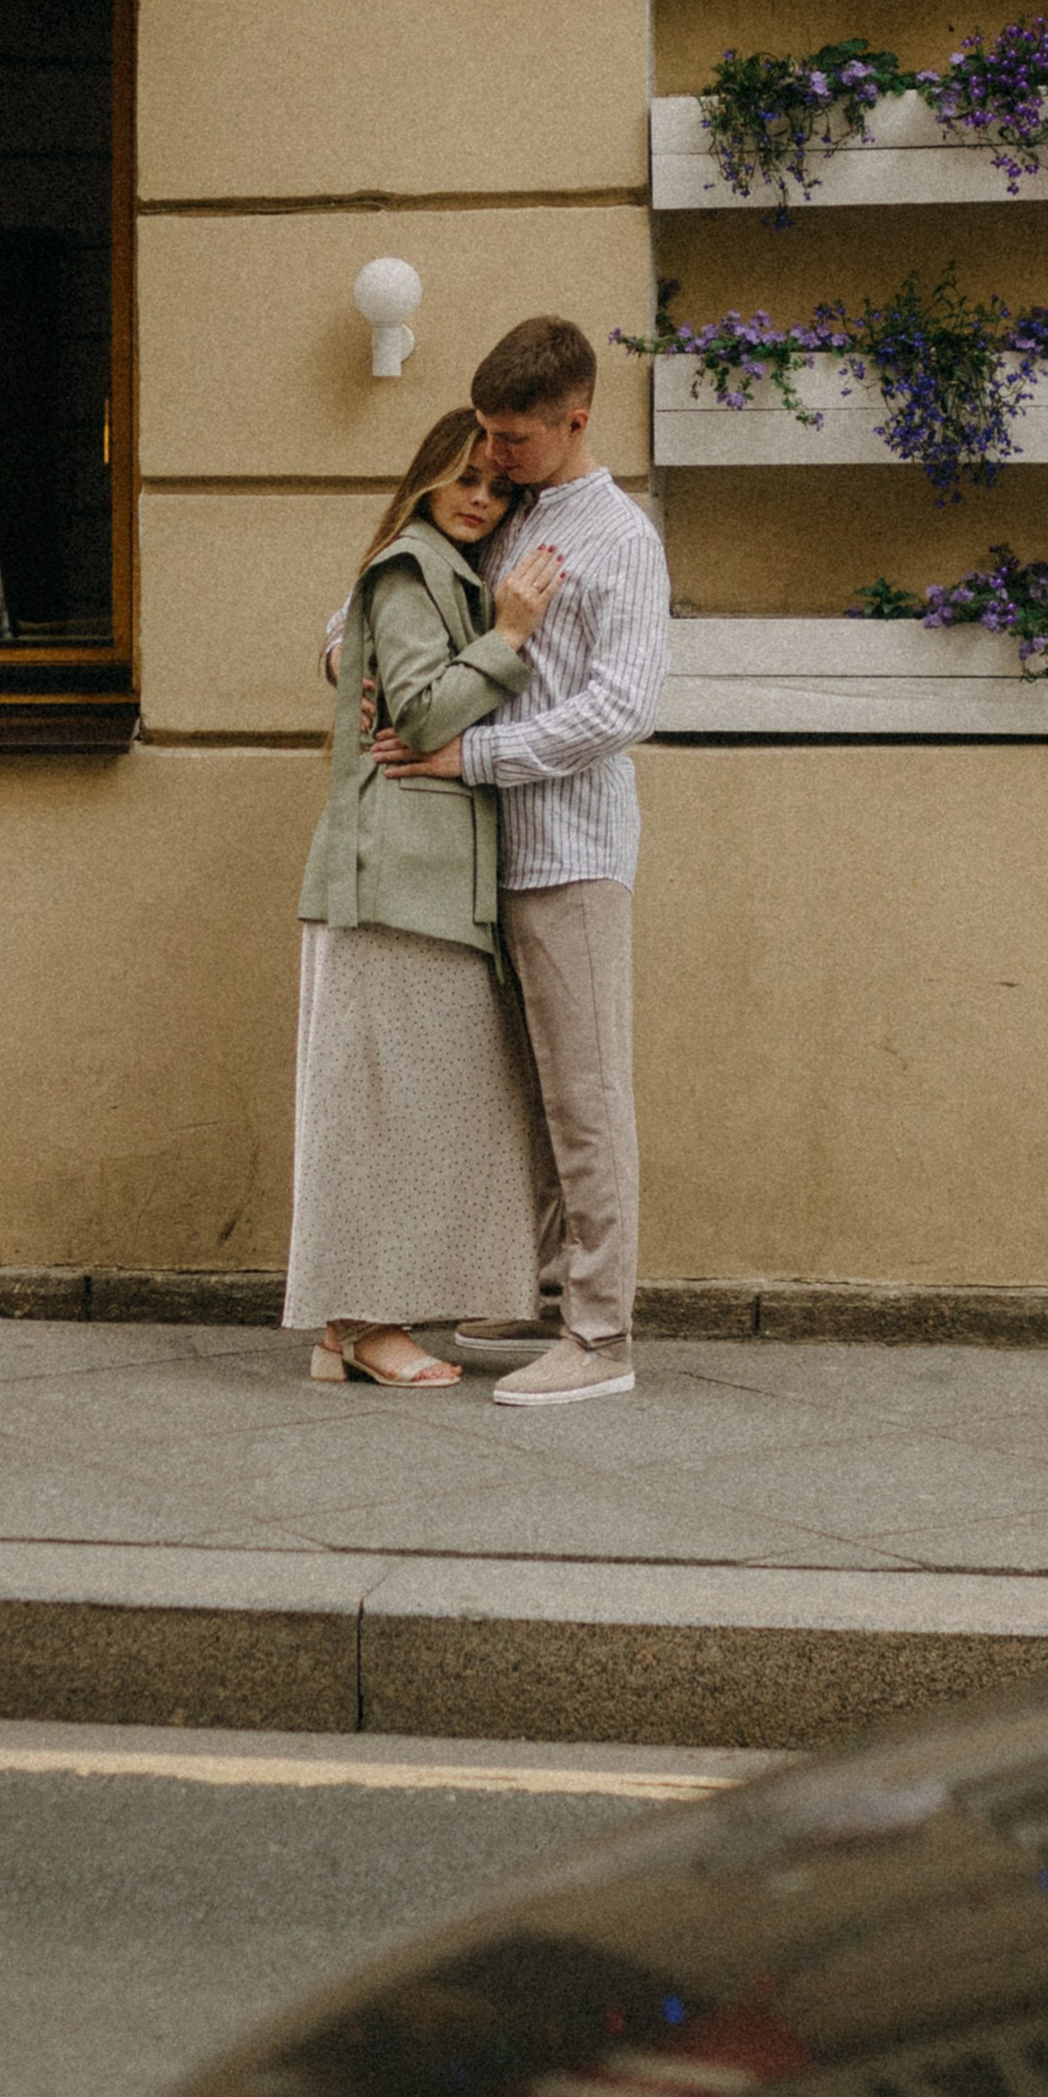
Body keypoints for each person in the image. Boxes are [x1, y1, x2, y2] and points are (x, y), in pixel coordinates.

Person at [371, 314, 668, 1407]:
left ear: (574, 421)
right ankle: (544, 1292)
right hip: (481, 858)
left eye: (513, 438)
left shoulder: (620, 538)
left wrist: (475, 756)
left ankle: (600, 1337)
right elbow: (407, 588)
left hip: (570, 855)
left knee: (587, 1101)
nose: (492, 456)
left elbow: (622, 707)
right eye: (486, 434)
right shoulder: (503, 511)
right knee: (525, 1098)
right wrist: (348, 651)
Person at [286, 408, 568, 1388]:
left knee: (408, 1113)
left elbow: (368, 655)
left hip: (423, 884)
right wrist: (509, 638)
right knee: (383, 1115)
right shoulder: (413, 568)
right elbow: (417, 715)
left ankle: (350, 1329)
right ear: (426, 477)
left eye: (498, 488)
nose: (480, 498)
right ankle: (365, 1324)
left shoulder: (444, 569)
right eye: (465, 478)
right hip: (394, 882)